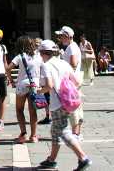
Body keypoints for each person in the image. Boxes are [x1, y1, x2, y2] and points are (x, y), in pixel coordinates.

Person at [37, 39, 92, 170]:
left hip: (58, 103)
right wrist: (68, 91)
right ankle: (51, 160)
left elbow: (49, 85)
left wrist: (39, 91)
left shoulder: (46, 65)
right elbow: (77, 82)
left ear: (44, 53)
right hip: (69, 102)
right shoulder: (63, 63)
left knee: (63, 132)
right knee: (56, 131)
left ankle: (83, 158)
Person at [6, 35, 42, 143]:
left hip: (22, 84)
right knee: (33, 111)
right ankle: (34, 136)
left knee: (19, 109)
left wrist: (12, 81)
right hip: (34, 85)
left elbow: (8, 69)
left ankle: (23, 134)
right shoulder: (38, 56)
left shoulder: (20, 56)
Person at [58, 26, 84, 139]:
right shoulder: (73, 46)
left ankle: (75, 133)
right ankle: (77, 132)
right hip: (75, 80)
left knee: (73, 107)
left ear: (68, 36)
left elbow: (73, 64)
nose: (60, 38)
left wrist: (67, 77)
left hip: (71, 82)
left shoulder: (72, 48)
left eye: (62, 36)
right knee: (77, 105)